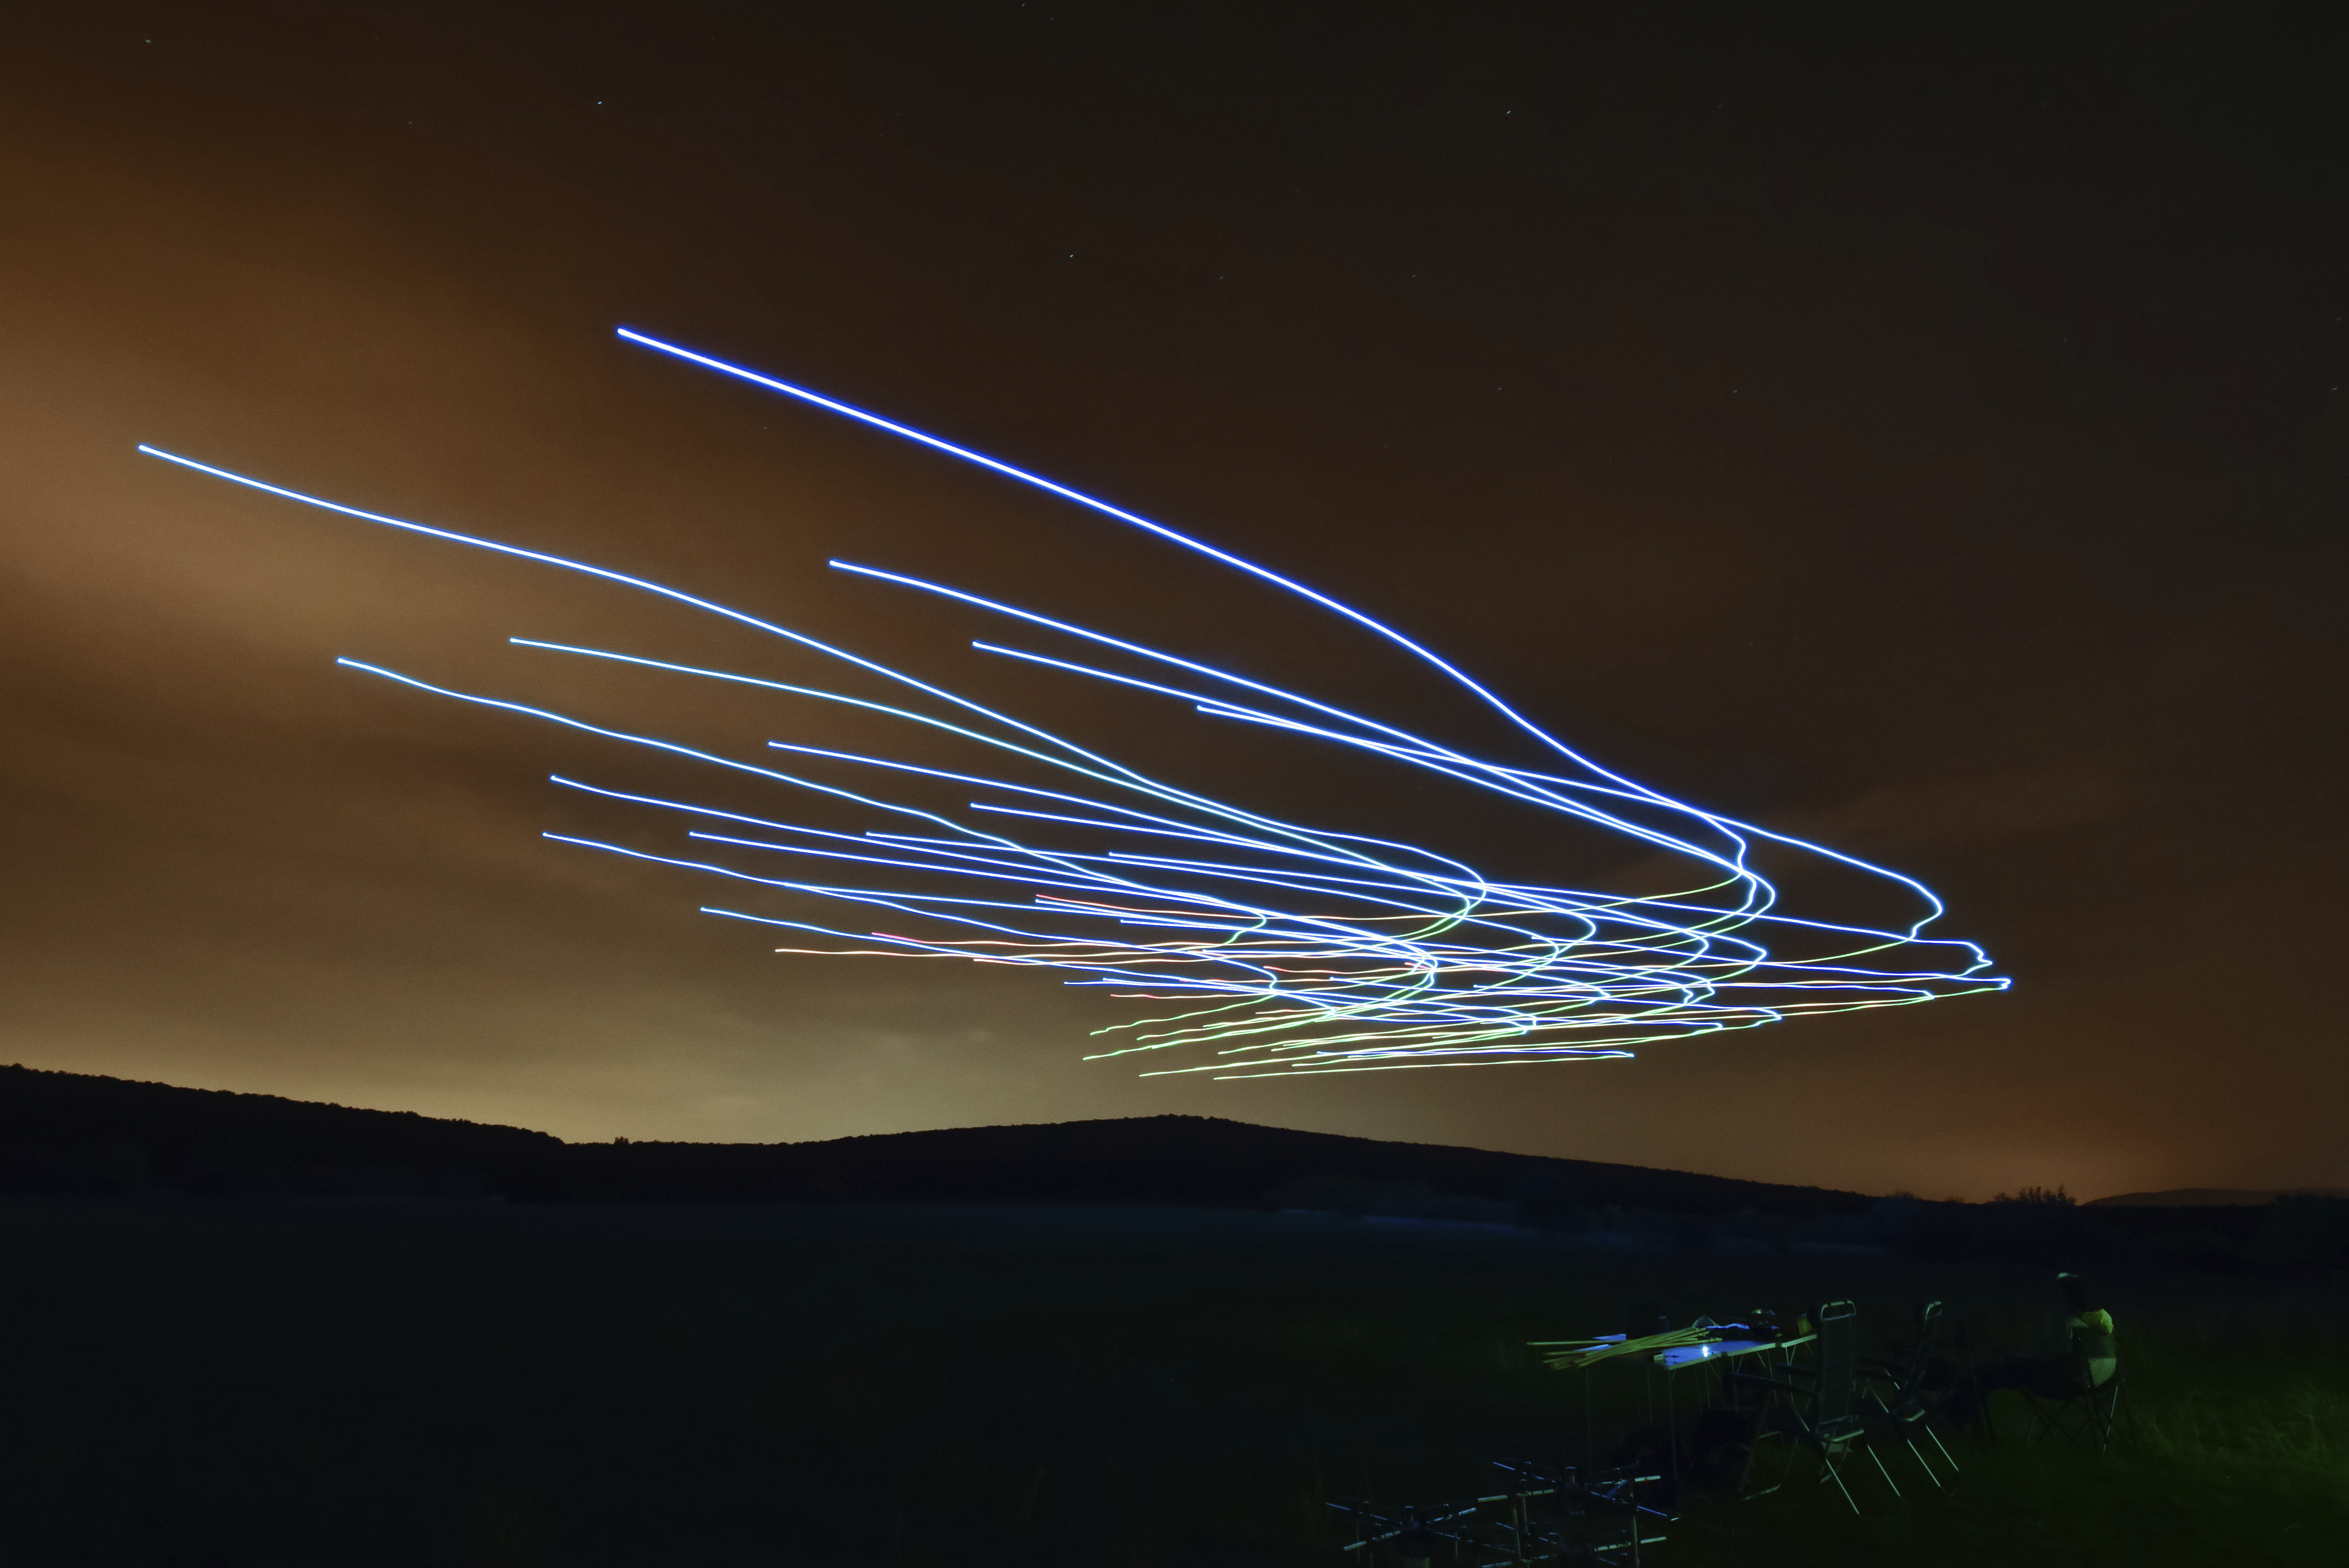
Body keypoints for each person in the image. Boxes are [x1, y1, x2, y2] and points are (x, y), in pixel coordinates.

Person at [1939, 1272, 2116, 1430]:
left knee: (1985, 1373)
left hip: (2065, 1384)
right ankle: (1957, 1417)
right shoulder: (2104, 1321)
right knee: (1992, 1373)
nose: (2060, 1298)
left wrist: (2022, 1357)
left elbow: (2048, 1356)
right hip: (2099, 1382)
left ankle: (1952, 1419)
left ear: (2071, 1297)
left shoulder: (2070, 1323)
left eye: (2063, 1294)